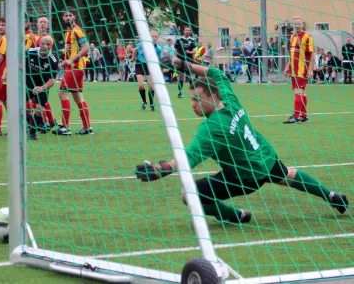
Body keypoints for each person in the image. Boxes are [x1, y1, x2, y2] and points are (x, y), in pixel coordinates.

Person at [134, 60, 349, 223]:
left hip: (243, 176)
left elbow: (189, 156)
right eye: (192, 99)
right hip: (263, 155)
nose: (193, 104)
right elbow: (215, 73)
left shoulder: (212, 128)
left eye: (197, 99)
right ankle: (331, 196)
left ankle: (237, 215)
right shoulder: (228, 98)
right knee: (288, 175)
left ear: (213, 97)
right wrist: (183, 64)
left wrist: (163, 168)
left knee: (187, 195)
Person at [53, 7, 92, 135]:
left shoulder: (77, 30)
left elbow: (86, 48)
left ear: (74, 17)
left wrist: (71, 60)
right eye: (65, 15)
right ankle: (87, 128)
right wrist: (65, 59)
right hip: (73, 68)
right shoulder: (68, 32)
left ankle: (65, 127)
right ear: (63, 18)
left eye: (70, 15)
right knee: (78, 97)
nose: (68, 17)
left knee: (62, 93)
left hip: (75, 68)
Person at [26, 36, 59, 140]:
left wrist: (41, 88)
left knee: (40, 110)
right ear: (39, 44)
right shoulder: (30, 52)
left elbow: (52, 80)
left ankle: (32, 132)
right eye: (43, 43)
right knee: (18, 106)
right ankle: (29, 121)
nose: (45, 46)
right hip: (28, 82)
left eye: (48, 44)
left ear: (51, 46)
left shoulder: (53, 60)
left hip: (42, 86)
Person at [283, 16, 315, 124]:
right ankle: (304, 116)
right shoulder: (292, 36)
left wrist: (310, 69)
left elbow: (312, 54)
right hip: (293, 70)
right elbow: (292, 54)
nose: (297, 26)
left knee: (298, 92)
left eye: (299, 24)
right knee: (301, 93)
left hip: (302, 70)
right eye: (295, 24)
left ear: (302, 25)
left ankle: (296, 116)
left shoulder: (307, 36)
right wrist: (288, 67)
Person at [33, 15, 57, 130]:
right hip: (34, 71)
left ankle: (46, 121)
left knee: (41, 100)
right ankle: (49, 121)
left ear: (47, 25)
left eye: (44, 22)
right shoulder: (36, 37)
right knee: (40, 100)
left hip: (44, 73)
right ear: (37, 24)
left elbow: (47, 56)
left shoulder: (48, 38)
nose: (42, 24)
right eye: (40, 22)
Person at [132, 29, 162, 111]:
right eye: (152, 36)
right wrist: (132, 59)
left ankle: (151, 103)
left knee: (151, 87)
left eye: (155, 37)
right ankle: (144, 102)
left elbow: (159, 58)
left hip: (150, 66)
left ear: (157, 38)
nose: (154, 38)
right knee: (141, 85)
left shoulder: (158, 49)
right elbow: (135, 50)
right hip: (140, 64)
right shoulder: (142, 44)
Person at [174, 26, 196, 98]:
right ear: (183, 31)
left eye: (188, 30)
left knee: (190, 77)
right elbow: (176, 50)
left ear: (190, 32)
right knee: (180, 77)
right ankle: (180, 93)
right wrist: (176, 60)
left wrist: (190, 52)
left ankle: (192, 93)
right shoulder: (179, 39)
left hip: (189, 61)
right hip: (180, 61)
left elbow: (194, 51)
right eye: (186, 30)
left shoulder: (192, 40)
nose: (187, 31)